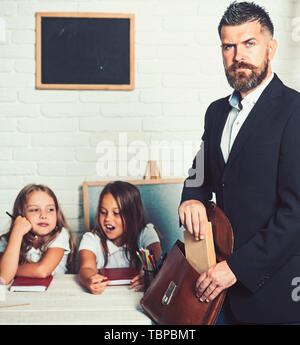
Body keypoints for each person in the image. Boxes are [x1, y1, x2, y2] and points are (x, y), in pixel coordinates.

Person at [179, 1, 300, 324]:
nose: (238, 56)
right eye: (228, 46)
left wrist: (236, 268)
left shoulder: (294, 111)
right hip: (217, 293)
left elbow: (296, 215)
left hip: (275, 296)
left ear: (271, 48)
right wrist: (191, 196)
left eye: (249, 43)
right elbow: (201, 169)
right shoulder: (216, 112)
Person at [78, 181, 162, 294]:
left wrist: (149, 277)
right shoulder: (91, 239)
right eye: (103, 212)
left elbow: (157, 262)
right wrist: (89, 280)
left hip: (136, 295)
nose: (107, 218)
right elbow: (86, 268)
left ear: (132, 216)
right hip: (103, 297)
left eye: (116, 213)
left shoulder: (145, 232)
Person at [0, 184, 76, 284]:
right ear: (21, 214)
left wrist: (11, 270)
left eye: (50, 209)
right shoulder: (8, 239)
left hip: (55, 294)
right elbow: (4, 278)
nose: (43, 215)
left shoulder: (60, 234)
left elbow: (42, 271)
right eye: (35, 210)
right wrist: (17, 233)